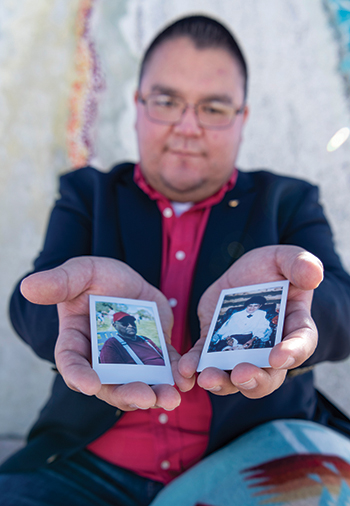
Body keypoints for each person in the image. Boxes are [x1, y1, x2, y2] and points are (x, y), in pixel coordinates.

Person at [2, 13, 350, 506]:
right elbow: (33, 304)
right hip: (84, 467)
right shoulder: (88, 194)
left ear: (242, 118)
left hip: (250, 462)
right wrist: (86, 314)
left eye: (212, 107)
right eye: (167, 101)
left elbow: (343, 306)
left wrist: (293, 305)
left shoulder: (288, 201)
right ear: (138, 106)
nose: (188, 128)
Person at [99, 311, 164, 365]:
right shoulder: (112, 344)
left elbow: (163, 355)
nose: (130, 326)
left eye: (132, 323)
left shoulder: (145, 340)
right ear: (115, 326)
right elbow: (112, 372)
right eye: (124, 323)